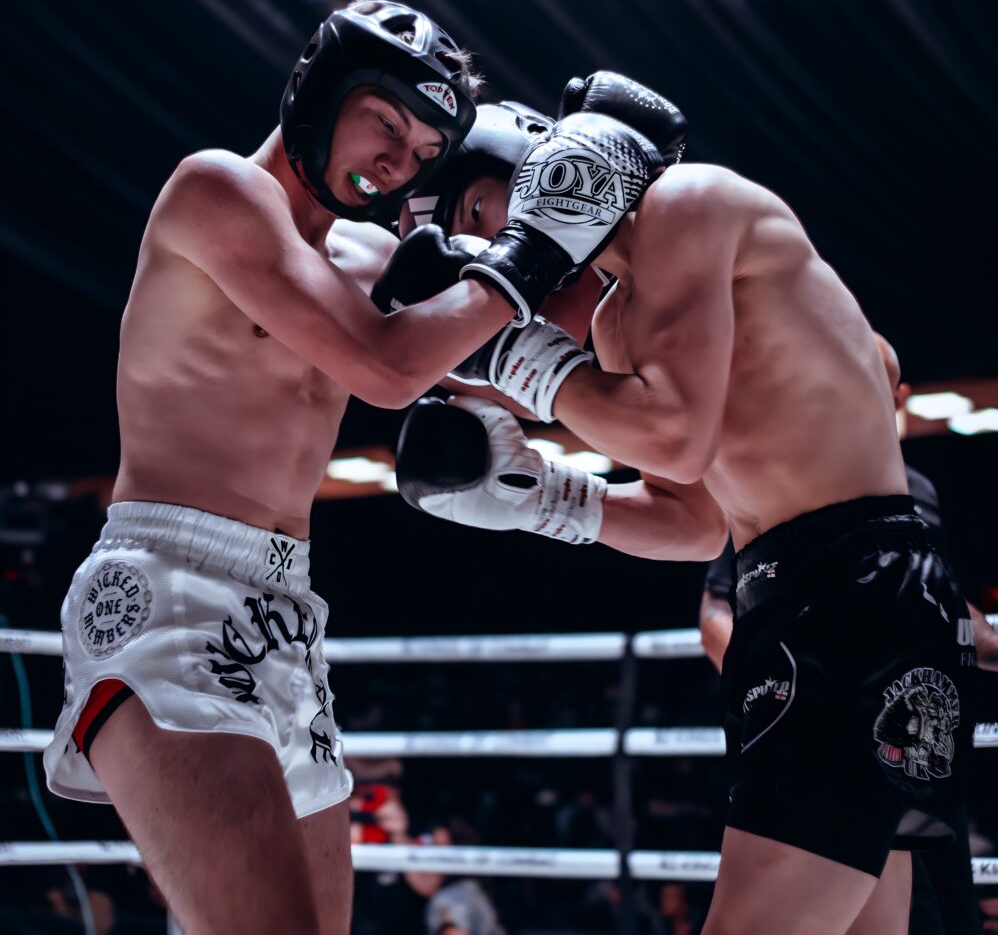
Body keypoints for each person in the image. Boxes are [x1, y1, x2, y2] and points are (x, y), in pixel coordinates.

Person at [378, 73, 979, 934]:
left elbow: (673, 438)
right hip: (803, 603)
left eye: (476, 215)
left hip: (856, 593)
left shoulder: (688, 202)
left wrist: (513, 356)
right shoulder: (619, 325)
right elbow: (694, 520)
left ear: (540, 168)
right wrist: (545, 498)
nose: (488, 259)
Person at [39, 0, 532, 934]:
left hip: (287, 613)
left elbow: (497, 381)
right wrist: (529, 256)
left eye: (425, 151)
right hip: (167, 586)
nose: (399, 163)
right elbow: (388, 370)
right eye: (387, 123)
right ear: (321, 90)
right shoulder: (216, 191)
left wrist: (577, 234)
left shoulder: (373, 256)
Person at [700, 333, 988, 934]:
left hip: (912, 719)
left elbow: (949, 604)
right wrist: (784, 697)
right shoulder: (779, 470)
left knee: (930, 914)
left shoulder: (918, 491)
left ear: (898, 399)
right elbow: (717, 610)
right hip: (819, 705)